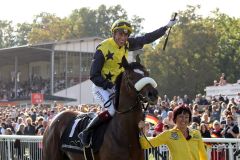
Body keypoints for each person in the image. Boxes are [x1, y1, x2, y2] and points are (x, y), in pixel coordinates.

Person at [79, 18, 177, 147]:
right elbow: (93, 75)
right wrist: (110, 86)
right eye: (120, 34)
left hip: (118, 86)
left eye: (126, 35)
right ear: (113, 33)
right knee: (113, 110)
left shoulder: (127, 44)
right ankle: (86, 132)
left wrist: (165, 27)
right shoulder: (103, 48)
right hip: (101, 86)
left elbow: (146, 38)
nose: (123, 38)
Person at [138, 105, 208, 160]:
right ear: (175, 118)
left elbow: (203, 155)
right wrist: (142, 130)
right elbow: (146, 144)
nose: (183, 120)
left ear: (189, 119)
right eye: (181, 116)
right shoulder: (168, 134)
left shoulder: (196, 133)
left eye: (186, 117)